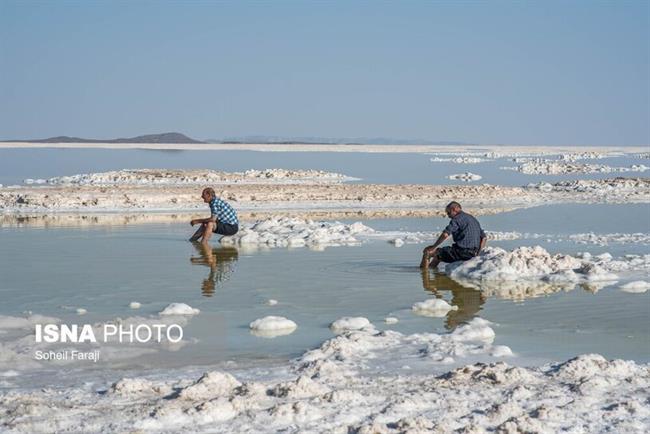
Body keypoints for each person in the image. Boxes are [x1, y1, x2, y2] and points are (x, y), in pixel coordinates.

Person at [420, 201, 486, 269]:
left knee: (428, 252)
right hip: (473, 253)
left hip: (461, 252)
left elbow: (445, 234)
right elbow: (484, 238)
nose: (448, 216)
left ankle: (423, 274)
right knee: (439, 255)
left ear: (454, 209)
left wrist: (433, 247)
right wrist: (478, 254)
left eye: (449, 213)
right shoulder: (473, 219)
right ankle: (432, 270)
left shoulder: (457, 219)